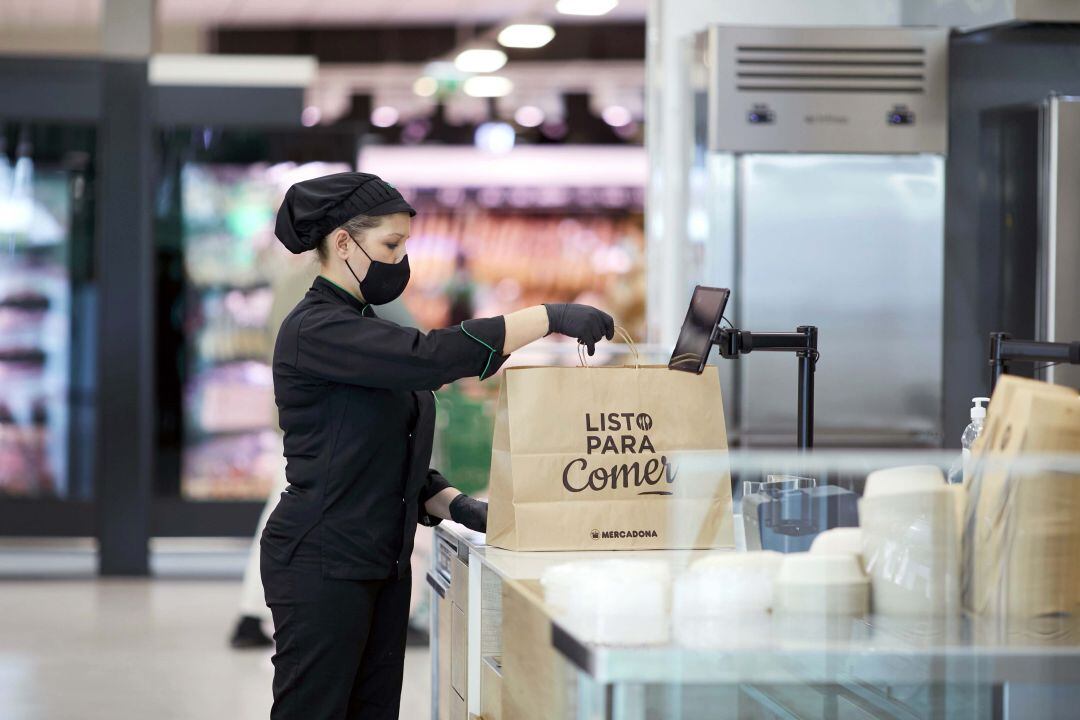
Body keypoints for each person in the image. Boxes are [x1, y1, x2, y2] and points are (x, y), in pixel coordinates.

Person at [261, 171, 614, 720]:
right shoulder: (317, 329)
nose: (401, 261)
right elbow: (429, 357)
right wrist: (548, 317)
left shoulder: (361, 325)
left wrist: (457, 505)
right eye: (391, 246)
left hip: (379, 559)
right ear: (343, 243)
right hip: (324, 560)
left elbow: (379, 451)